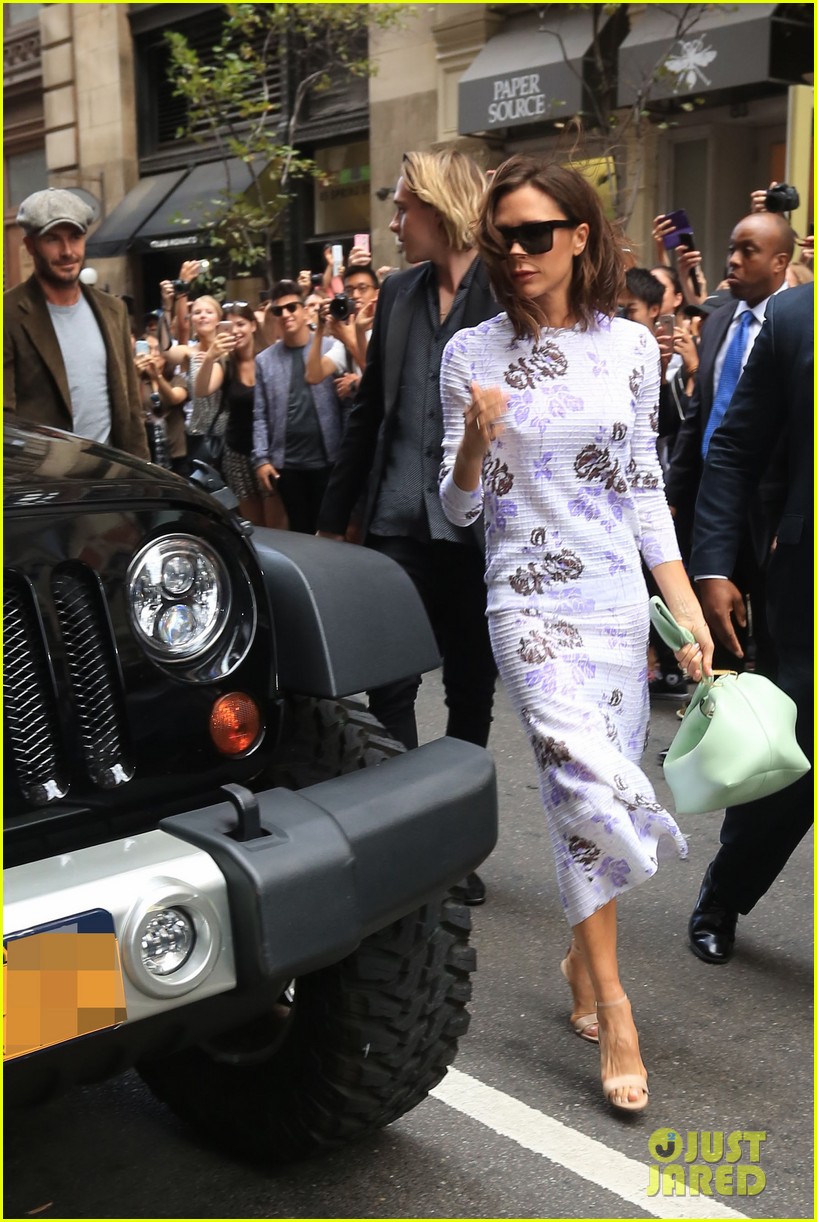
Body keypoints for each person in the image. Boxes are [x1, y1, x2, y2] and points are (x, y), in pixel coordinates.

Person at [438, 155, 714, 1111]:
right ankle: (615, 1002)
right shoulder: (469, 354)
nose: (516, 252)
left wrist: (680, 605)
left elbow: (642, 487)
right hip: (525, 604)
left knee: (583, 799)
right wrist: (476, 440)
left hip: (611, 604)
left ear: (579, 236)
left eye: (535, 234)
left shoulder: (630, 348)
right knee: (578, 776)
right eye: (501, 236)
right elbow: (457, 508)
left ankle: (579, 957)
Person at [316, 149, 500, 907]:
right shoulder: (396, 293)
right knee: (389, 679)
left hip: (477, 527)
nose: (393, 223)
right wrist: (333, 521)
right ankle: (410, 829)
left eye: (402, 208)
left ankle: (454, 836)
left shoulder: (504, 289)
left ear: (440, 206)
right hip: (396, 519)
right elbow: (369, 415)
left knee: (470, 682)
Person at [687, 283, 813, 964]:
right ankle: (724, 893)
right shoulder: (795, 318)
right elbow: (734, 449)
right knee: (791, 757)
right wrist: (712, 565)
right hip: (806, 585)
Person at [665, 210, 794, 670]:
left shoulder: (798, 326)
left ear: (780, 262)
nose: (733, 260)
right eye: (732, 249)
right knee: (718, 641)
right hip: (713, 507)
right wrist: (675, 495)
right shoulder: (719, 321)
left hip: (774, 512)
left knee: (778, 644)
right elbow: (697, 415)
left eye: (748, 251)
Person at [4, 188, 149, 460]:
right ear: (30, 246)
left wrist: (143, 474)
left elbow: (130, 408)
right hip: (44, 479)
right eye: (52, 239)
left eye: (75, 237)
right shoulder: (8, 314)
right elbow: (5, 421)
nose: (67, 251)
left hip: (113, 474)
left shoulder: (113, 309)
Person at [252, 280, 344, 535]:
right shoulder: (265, 360)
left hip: (329, 457)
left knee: (329, 530)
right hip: (287, 463)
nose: (285, 314)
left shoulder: (330, 347)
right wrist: (261, 459)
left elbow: (348, 403)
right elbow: (260, 414)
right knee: (299, 531)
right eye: (278, 310)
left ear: (304, 311)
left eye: (291, 307)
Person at [193, 302, 268, 526]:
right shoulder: (225, 363)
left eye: (241, 324)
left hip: (269, 452)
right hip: (238, 454)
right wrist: (210, 357)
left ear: (253, 325)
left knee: (278, 524)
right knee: (254, 526)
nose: (235, 331)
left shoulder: (269, 357)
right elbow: (201, 390)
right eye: (230, 325)